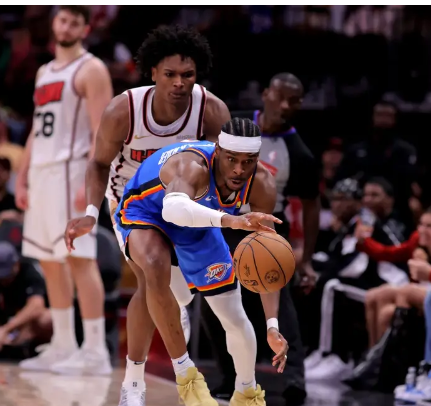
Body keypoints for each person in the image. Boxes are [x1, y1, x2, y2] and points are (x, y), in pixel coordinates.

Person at [59, 24, 231, 404]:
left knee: (170, 290)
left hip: (182, 202)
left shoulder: (212, 110)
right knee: (150, 268)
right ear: (153, 72)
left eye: (187, 74)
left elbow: (226, 169)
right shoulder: (124, 110)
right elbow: (98, 163)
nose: (179, 83)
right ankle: (135, 384)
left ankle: (172, 304)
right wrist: (90, 212)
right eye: (170, 74)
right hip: (130, 202)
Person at [66, 118, 289, 406]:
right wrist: (232, 220)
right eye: (232, 159)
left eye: (247, 162)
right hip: (147, 212)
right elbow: (173, 210)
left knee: (233, 314)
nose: (238, 169)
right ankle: (156, 380)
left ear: (257, 159)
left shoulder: (262, 184)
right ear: (218, 151)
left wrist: (272, 325)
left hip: (201, 220)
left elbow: (268, 259)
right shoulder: (192, 166)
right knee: (153, 270)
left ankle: (247, 393)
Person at [202, 72, 315, 405]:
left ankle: (294, 378)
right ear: (265, 94)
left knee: (282, 304)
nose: (284, 106)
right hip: (224, 221)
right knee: (214, 299)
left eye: (293, 101)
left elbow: (311, 205)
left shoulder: (299, 153)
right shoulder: (233, 126)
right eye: (279, 97)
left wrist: (307, 258)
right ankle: (228, 376)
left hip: (266, 224)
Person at [14, 6, 114, 374]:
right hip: (42, 173)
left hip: (71, 172)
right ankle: (62, 344)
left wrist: (90, 183)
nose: (67, 27)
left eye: (75, 22)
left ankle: (95, 351)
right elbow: (36, 128)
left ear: (85, 29)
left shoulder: (92, 69)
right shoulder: (44, 72)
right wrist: (22, 175)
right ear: (54, 23)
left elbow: (102, 132)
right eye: (62, 20)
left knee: (79, 259)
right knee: (49, 262)